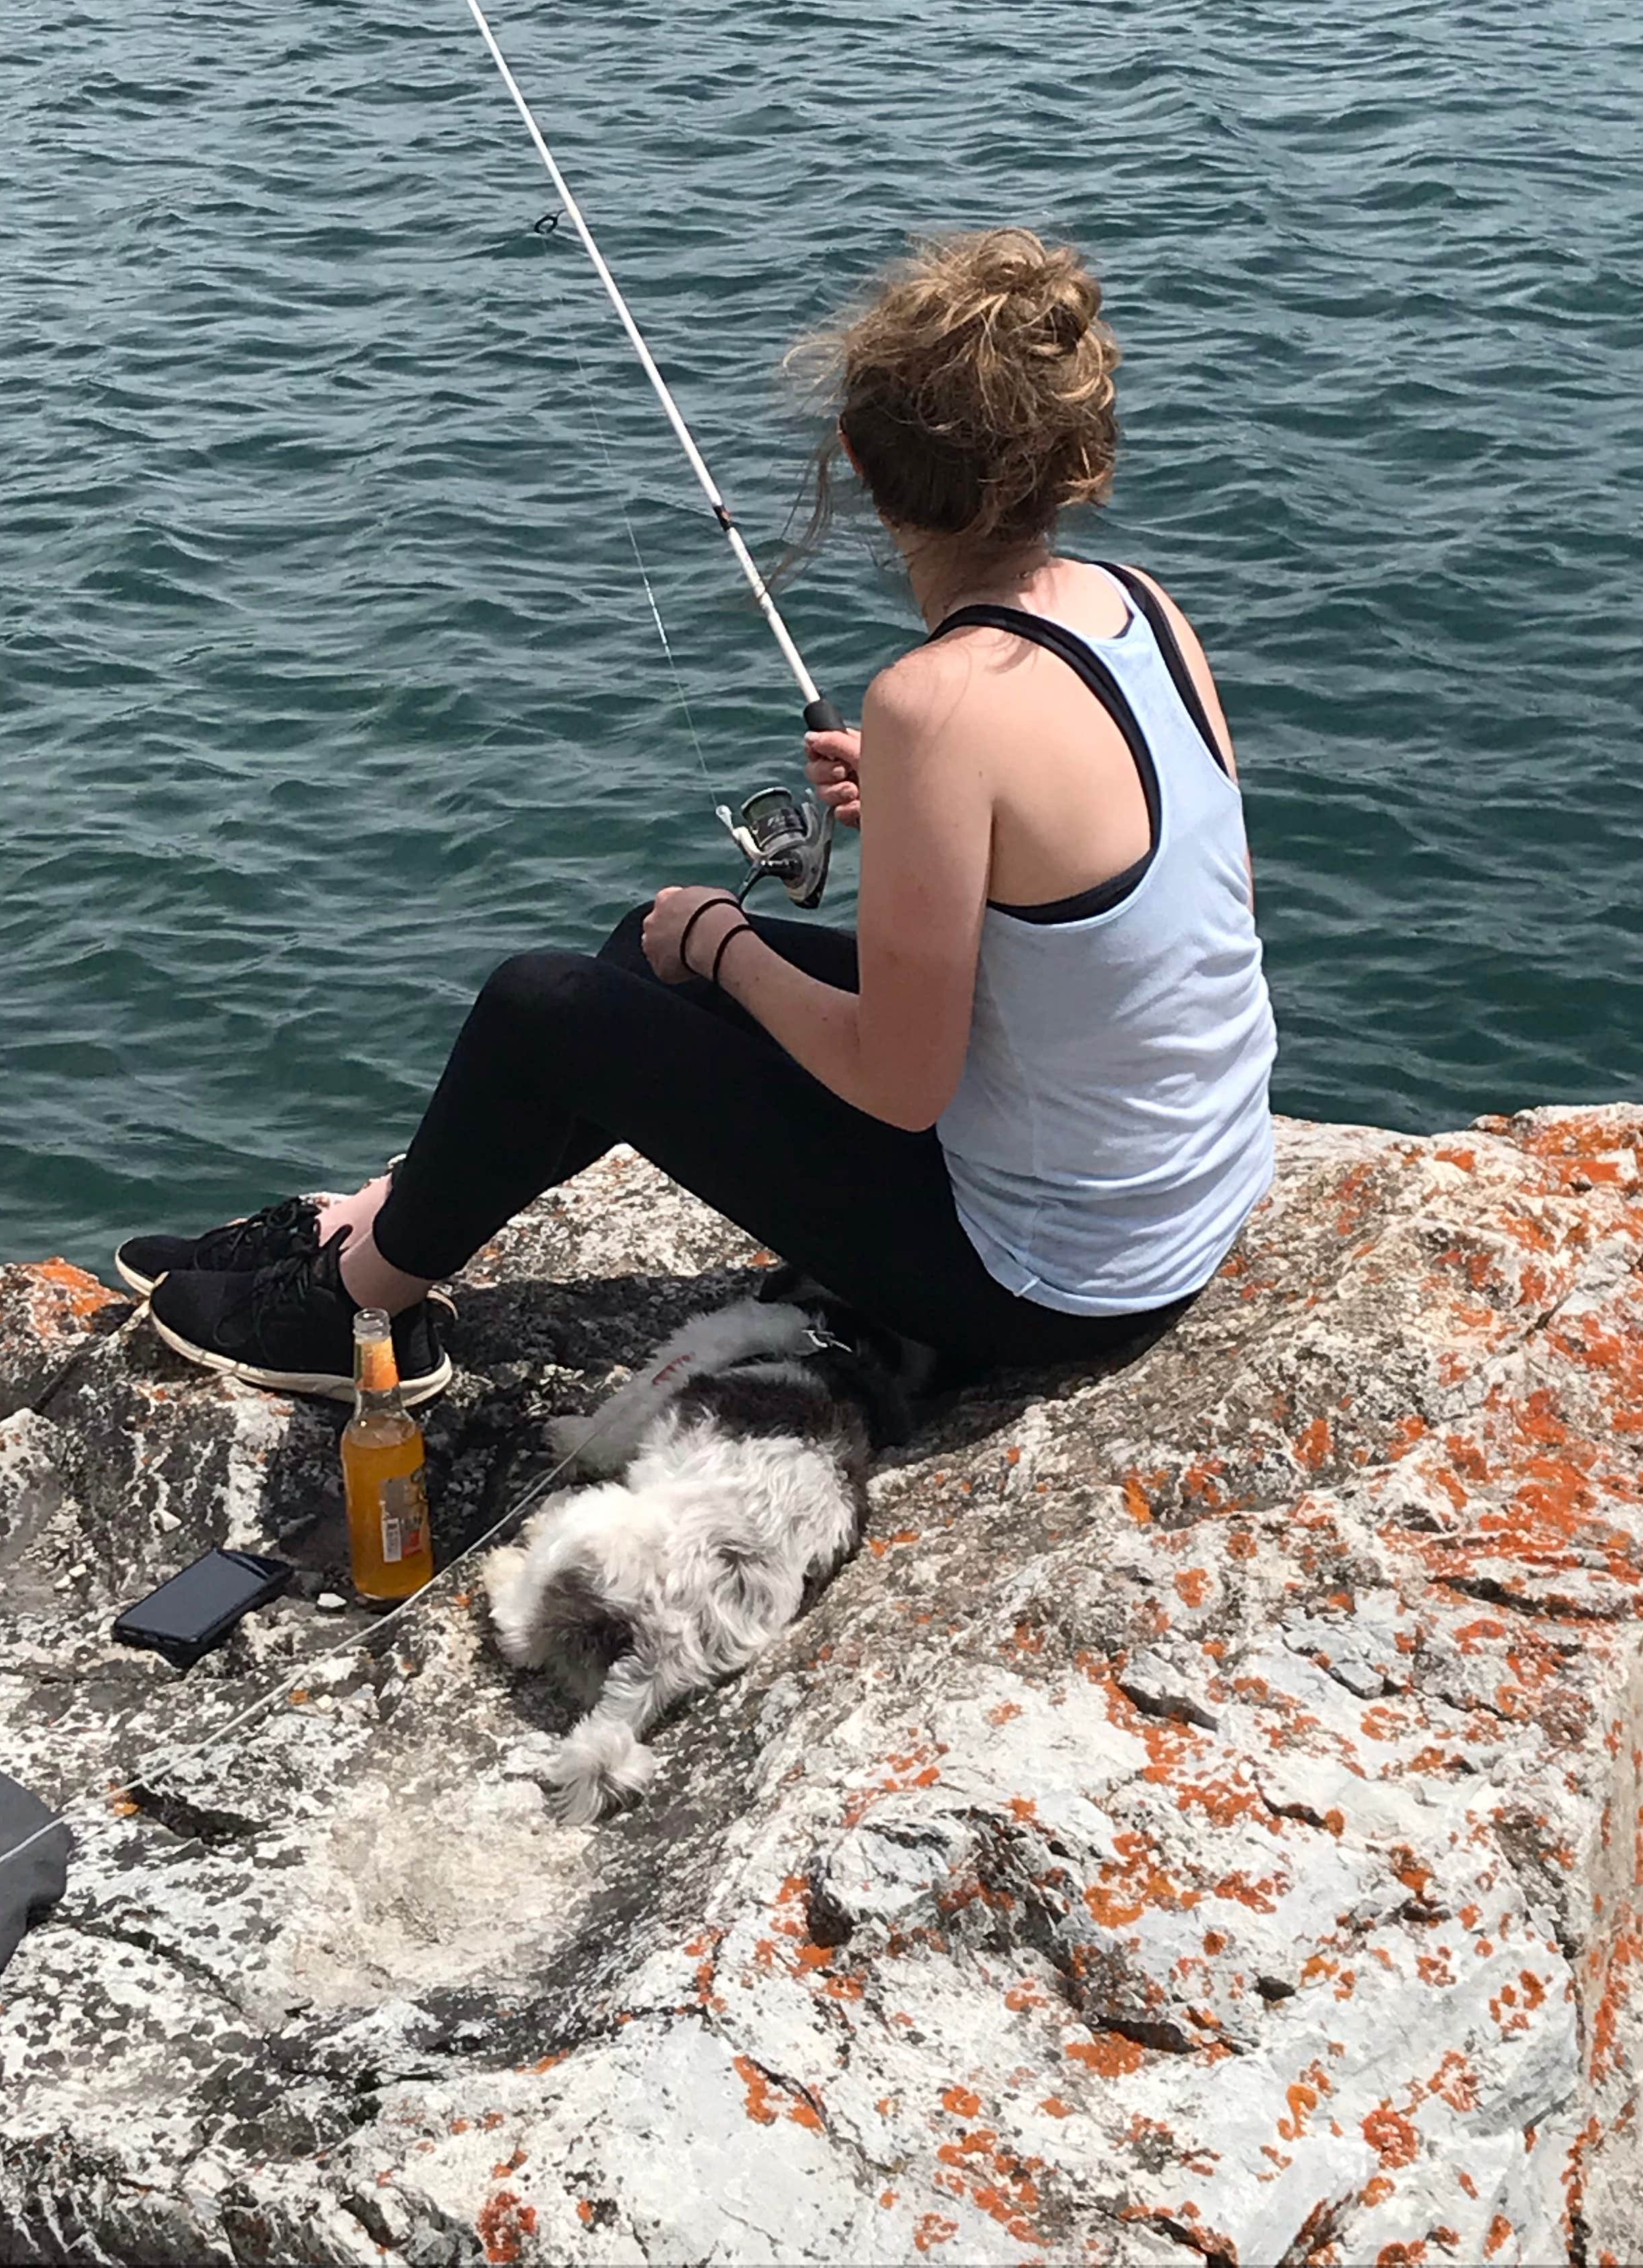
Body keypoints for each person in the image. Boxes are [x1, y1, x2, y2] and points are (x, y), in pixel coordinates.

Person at [122, 229, 1276, 1404]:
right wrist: (918, 814)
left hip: (1043, 1283)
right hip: (1187, 1197)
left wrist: (724, 945)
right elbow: (1116, 883)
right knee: (642, 956)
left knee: (549, 1003)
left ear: (858, 464)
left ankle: (346, 1316)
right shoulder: (1137, 606)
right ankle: (382, 1230)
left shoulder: (937, 702)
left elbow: (901, 1084)